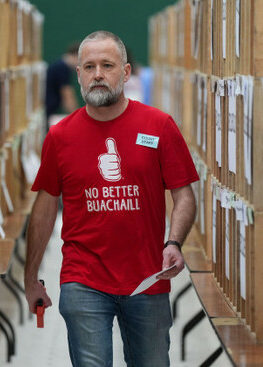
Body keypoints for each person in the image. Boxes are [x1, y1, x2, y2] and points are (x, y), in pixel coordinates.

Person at [24, 30, 199, 367]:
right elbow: (44, 208)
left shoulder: (158, 125)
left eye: (107, 65)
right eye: (89, 67)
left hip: (147, 277)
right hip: (83, 279)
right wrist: (32, 278)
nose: (98, 75)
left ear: (127, 72)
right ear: (78, 75)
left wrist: (174, 242)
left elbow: (184, 195)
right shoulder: (60, 136)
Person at [45, 41, 80, 130]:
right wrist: (77, 118)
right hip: (48, 110)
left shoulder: (60, 66)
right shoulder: (62, 68)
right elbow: (67, 96)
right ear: (76, 55)